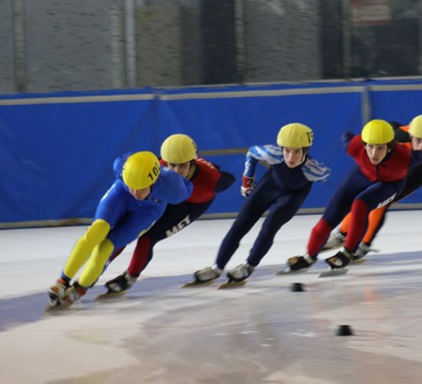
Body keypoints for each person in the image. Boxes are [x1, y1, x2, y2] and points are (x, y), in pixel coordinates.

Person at [47, 150, 194, 308]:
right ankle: (63, 281)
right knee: (97, 230)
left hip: (148, 211)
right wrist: (131, 188)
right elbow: (131, 180)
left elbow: (194, 185)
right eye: (132, 186)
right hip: (121, 194)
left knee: (106, 247)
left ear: (154, 182)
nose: (136, 193)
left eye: (142, 188)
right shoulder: (120, 165)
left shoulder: (175, 188)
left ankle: (81, 287)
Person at [192, 123, 330, 284]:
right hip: (269, 186)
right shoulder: (273, 153)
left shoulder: (314, 170)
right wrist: (247, 181)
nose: (291, 157)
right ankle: (217, 267)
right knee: (240, 224)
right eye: (287, 150)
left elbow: (325, 175)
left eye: (297, 152)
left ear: (305, 150)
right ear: (281, 148)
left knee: (270, 225)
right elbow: (251, 153)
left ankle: (249, 265)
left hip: (292, 195)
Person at [285, 119, 422, 272]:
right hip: (361, 176)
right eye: (370, 146)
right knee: (329, 217)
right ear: (364, 144)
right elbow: (346, 136)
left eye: (380, 148)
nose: (374, 153)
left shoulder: (404, 158)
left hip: (390, 184)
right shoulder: (355, 146)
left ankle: (347, 253)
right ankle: (309, 257)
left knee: (360, 204)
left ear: (389, 148)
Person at [102, 134, 235, 294]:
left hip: (190, 205)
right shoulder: (159, 164)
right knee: (126, 232)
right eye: (171, 165)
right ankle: (98, 265)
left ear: (193, 162)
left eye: (182, 166)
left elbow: (230, 178)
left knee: (147, 239)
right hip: (165, 197)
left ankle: (130, 277)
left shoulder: (212, 179)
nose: (176, 172)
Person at [322, 114, 422, 259]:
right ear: (410, 136)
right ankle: (342, 235)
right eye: (417, 140)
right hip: (402, 160)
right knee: (363, 197)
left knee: (381, 203)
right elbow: (390, 125)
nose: (421, 147)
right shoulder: (399, 136)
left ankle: (364, 245)